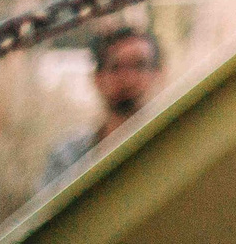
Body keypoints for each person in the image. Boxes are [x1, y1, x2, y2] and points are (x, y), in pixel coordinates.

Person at [41, 25, 160, 184]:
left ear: (157, 74)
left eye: (139, 65)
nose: (128, 79)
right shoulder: (68, 157)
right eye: (116, 67)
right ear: (97, 78)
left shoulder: (172, 147)